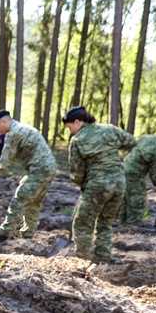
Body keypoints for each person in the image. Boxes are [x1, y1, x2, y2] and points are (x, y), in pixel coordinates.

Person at [62, 106, 137, 263]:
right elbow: (132, 142)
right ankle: (103, 260)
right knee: (105, 222)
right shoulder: (109, 129)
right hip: (119, 183)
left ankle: (83, 263)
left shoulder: (77, 140)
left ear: (77, 121)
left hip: (97, 185)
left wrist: (85, 185)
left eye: (70, 127)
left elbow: (76, 173)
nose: (70, 132)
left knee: (82, 224)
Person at [0, 110, 56, 242]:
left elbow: (5, 161)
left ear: (4, 121)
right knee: (34, 203)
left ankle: (2, 236)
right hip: (48, 168)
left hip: (39, 170)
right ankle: (28, 236)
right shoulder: (23, 128)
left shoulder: (14, 133)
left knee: (19, 200)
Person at [120, 125, 156, 224]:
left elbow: (139, 153)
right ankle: (133, 226)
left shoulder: (146, 137)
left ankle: (122, 223)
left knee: (125, 199)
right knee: (138, 200)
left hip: (123, 170)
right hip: (135, 175)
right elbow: (154, 173)